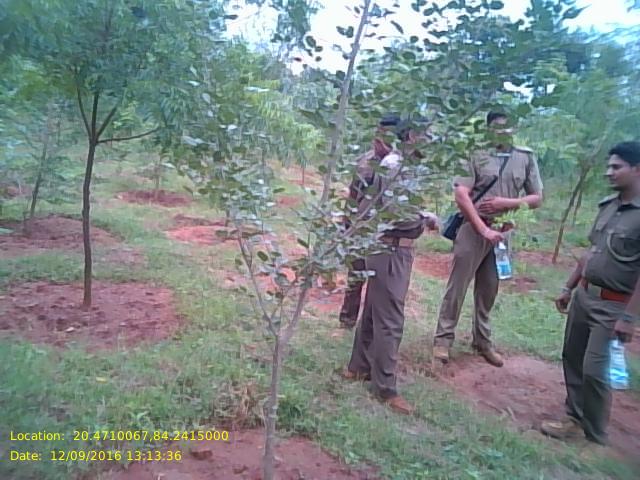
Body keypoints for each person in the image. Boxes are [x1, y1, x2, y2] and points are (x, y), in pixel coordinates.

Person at [541, 141, 640, 446]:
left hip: (613, 304)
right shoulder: (607, 206)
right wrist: (568, 286)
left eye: (616, 167)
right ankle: (574, 418)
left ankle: (595, 433)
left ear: (637, 169)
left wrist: (629, 318)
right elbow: (591, 252)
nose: (609, 172)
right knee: (572, 356)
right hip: (585, 296)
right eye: (608, 166)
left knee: (594, 369)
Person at [341, 117, 438, 415]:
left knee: (375, 309)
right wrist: (424, 218)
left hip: (386, 247)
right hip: (391, 248)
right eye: (425, 134)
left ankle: (358, 366)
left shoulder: (401, 165)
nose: (430, 140)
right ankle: (385, 387)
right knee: (391, 319)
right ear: (410, 136)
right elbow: (396, 212)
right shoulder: (396, 166)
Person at [432, 111, 543, 367]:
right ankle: (443, 340)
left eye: (507, 126)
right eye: (497, 127)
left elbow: (537, 197)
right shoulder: (475, 154)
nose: (502, 131)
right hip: (473, 229)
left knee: (489, 289)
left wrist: (507, 203)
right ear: (488, 130)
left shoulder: (525, 157)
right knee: (457, 287)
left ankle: (482, 341)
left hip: (502, 232)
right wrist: (483, 229)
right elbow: (462, 195)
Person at [338, 117, 398, 329]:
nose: (378, 138)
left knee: (379, 282)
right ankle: (347, 319)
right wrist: (347, 221)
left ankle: (371, 324)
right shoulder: (365, 160)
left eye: (384, 134)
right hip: (360, 226)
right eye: (378, 132)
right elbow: (353, 192)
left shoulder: (398, 166)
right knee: (356, 274)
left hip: (385, 233)